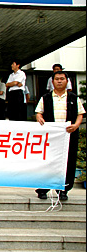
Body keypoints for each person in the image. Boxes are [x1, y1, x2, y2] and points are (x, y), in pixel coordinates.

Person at [35, 71, 85, 200]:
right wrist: (39, 118)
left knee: (68, 162)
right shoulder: (46, 98)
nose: (59, 81)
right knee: (47, 161)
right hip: (51, 136)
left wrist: (76, 126)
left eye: (62, 79)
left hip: (69, 135)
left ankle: (63, 189)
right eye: (57, 79)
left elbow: (80, 114)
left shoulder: (74, 98)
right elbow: (39, 112)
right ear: (52, 82)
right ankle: (43, 189)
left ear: (67, 81)